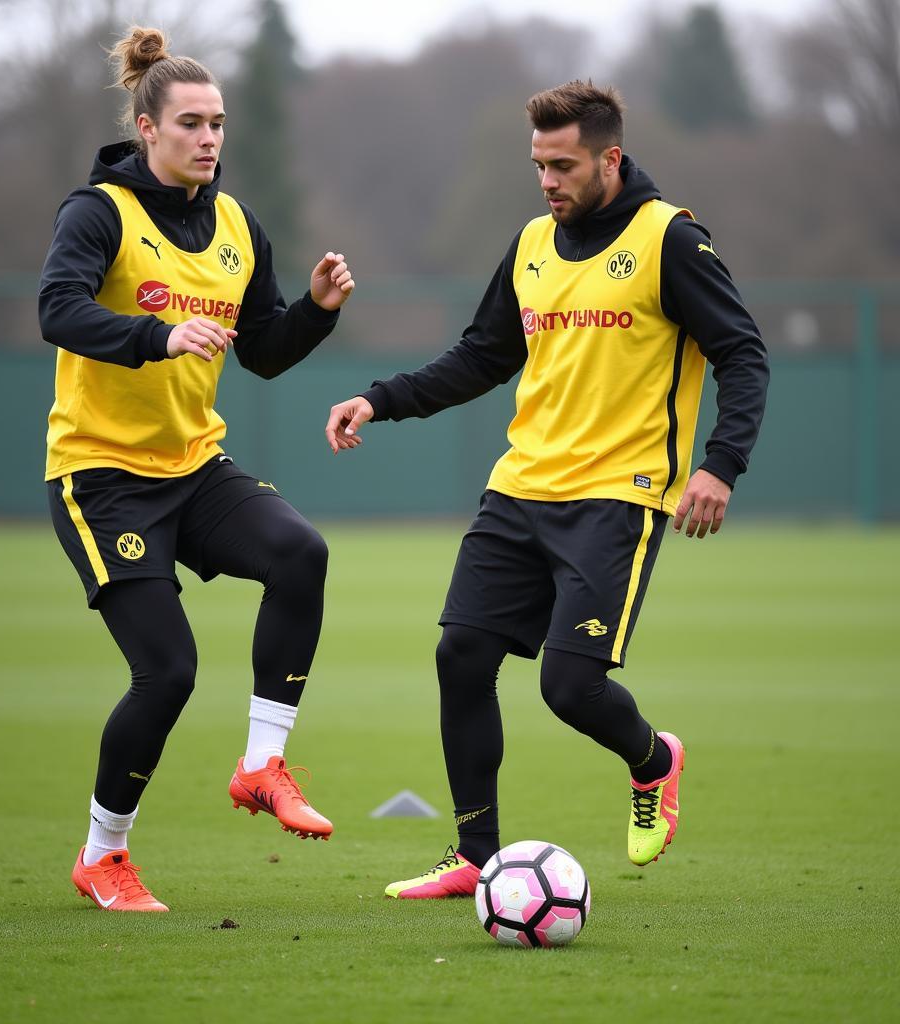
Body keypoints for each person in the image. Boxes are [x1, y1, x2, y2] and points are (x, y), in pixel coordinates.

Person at [326, 81, 768, 898]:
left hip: (617, 494)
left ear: (611, 158)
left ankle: (654, 761)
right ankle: (473, 856)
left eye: (563, 165)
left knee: (569, 686)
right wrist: (380, 398)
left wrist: (720, 464)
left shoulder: (669, 238)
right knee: (460, 655)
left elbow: (744, 354)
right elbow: (481, 356)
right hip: (521, 487)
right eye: (538, 166)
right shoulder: (530, 242)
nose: (549, 182)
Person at [40, 26, 355, 913]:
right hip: (101, 477)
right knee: (168, 673)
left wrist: (319, 313)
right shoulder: (99, 211)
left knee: (302, 553)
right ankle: (104, 855)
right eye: (190, 123)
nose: (210, 138)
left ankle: (262, 765)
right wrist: (157, 336)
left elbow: (262, 351)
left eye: (218, 123)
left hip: (194, 466)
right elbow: (56, 310)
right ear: (147, 128)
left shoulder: (234, 224)